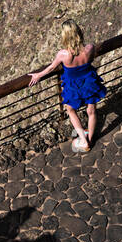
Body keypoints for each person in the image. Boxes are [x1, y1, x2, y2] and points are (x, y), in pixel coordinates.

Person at [29, 20, 107, 152]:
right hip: (88, 81)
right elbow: (91, 58)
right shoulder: (89, 48)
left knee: (70, 110)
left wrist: (38, 75)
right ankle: (91, 139)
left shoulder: (63, 54)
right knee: (91, 111)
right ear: (78, 33)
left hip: (72, 85)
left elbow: (51, 68)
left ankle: (83, 140)